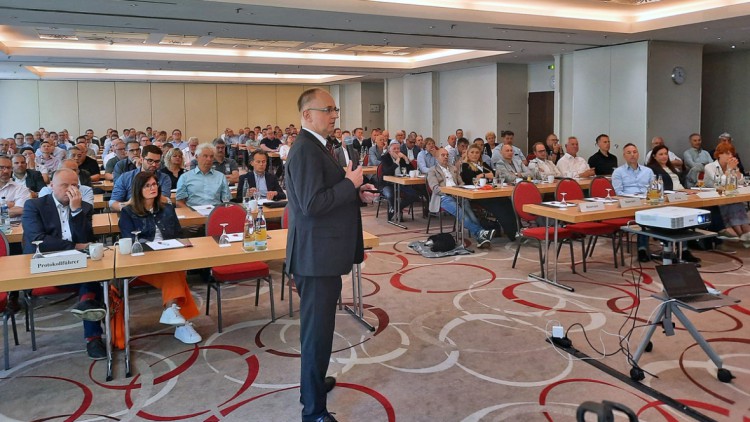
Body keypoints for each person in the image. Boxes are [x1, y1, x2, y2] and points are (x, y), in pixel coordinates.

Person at [285, 88, 377, 422]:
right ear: (307, 115)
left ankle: (310, 386)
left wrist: (356, 191)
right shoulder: (305, 150)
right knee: (316, 334)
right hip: (315, 257)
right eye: (328, 110)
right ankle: (313, 411)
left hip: (323, 252)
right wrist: (349, 184)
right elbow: (311, 205)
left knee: (320, 329)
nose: (334, 115)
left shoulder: (321, 147)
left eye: (335, 109)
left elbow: (326, 194)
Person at [21, 168, 107, 360]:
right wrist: (74, 245)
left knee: (96, 273)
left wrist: (76, 212)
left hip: (77, 263)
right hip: (43, 264)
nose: (71, 190)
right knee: (92, 280)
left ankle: (93, 335)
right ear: (51, 186)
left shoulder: (83, 207)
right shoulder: (34, 206)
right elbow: (38, 240)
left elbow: (87, 239)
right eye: (65, 185)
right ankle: (89, 305)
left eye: (75, 185)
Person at [118, 172, 201, 344]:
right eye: (147, 185)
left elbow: (178, 234)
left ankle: (175, 314)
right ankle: (180, 321)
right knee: (174, 271)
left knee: (172, 268)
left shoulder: (167, 208)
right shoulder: (128, 212)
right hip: (143, 261)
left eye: (154, 184)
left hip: (169, 256)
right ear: (138, 189)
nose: (152, 188)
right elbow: (128, 240)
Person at [428, 148, 495, 248]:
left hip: (458, 195)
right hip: (443, 197)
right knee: (461, 213)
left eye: (447, 155)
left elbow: (461, 183)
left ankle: (481, 236)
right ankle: (481, 232)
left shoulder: (453, 168)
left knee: (471, 213)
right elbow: (435, 188)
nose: (446, 157)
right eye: (443, 155)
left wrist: (460, 191)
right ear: (437, 157)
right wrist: (450, 193)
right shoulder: (432, 170)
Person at [611, 144, 661, 263]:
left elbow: (654, 188)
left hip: (647, 201)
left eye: (634, 152)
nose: (632, 155)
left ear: (638, 154)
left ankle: (678, 249)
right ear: (624, 156)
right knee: (644, 216)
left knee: (670, 213)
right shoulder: (618, 172)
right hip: (629, 203)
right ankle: (642, 249)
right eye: (629, 152)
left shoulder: (648, 171)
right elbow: (619, 193)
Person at [460, 144, 518, 240]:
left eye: (477, 153)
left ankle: (517, 230)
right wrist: (486, 175)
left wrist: (483, 175)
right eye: (472, 152)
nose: (475, 155)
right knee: (498, 207)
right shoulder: (465, 165)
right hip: (477, 195)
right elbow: (471, 179)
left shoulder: (483, 164)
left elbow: (494, 174)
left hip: (490, 191)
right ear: (468, 154)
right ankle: (512, 233)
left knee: (507, 202)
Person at [703, 142, 750, 244]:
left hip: (727, 196)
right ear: (719, 154)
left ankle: (744, 231)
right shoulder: (709, 166)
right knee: (731, 204)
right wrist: (729, 169)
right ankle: (741, 233)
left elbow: (741, 181)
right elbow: (721, 182)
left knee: (736, 203)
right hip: (712, 198)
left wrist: (735, 170)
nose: (730, 156)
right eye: (727, 153)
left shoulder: (731, 166)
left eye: (732, 154)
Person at [109, 145, 171, 212]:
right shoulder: (125, 177)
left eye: (157, 162)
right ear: (141, 158)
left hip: (156, 214)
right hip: (131, 213)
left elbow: (164, 201)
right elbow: (112, 204)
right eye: (150, 161)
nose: (154, 165)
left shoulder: (164, 178)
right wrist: (128, 204)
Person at [175, 143, 231, 208]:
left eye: (211, 156)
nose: (209, 159)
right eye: (205, 156)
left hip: (215, 213)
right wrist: (191, 213)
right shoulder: (185, 177)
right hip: (194, 213)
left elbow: (227, 201)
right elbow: (179, 202)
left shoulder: (221, 177)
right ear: (196, 157)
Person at [380, 140, 419, 221]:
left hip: (401, 183)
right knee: (390, 195)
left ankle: (395, 209)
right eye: (394, 149)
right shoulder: (385, 158)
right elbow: (387, 172)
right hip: (387, 183)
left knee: (414, 195)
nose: (397, 150)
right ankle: (397, 210)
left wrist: (405, 158)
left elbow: (412, 170)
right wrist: (397, 161)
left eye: (398, 148)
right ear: (389, 150)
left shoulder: (402, 158)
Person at [0, 155, 30, 222]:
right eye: (1, 167)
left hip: (13, 228)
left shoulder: (21, 189)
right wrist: (8, 206)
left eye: (8, 168)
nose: (6, 171)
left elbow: (20, 210)